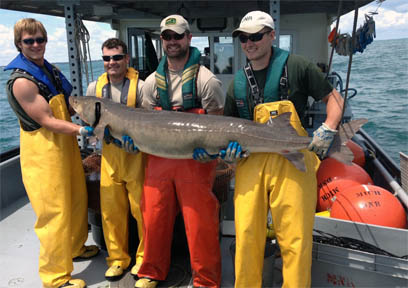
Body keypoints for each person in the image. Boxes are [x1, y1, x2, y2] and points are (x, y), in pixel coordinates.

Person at [224, 11, 345, 288]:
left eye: (255, 36)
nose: (249, 43)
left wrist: (328, 128)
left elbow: (334, 98)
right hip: (251, 163)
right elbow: (231, 127)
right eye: (244, 38)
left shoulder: (298, 66)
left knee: (295, 240)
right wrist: (227, 154)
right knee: (245, 237)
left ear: (271, 35)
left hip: (293, 161)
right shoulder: (237, 84)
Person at [4, 18, 99, 288]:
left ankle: (74, 249)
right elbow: (47, 120)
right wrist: (83, 131)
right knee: (54, 213)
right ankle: (55, 277)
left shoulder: (51, 71)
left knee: (77, 200)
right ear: (19, 44)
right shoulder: (22, 82)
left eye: (40, 39)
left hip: (65, 150)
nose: (36, 45)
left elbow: (68, 106)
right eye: (29, 41)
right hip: (43, 156)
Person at [135, 14, 224, 288]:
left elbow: (218, 124)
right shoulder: (150, 83)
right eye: (166, 37)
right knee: (153, 215)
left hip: (194, 162)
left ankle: (206, 280)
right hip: (158, 159)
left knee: (200, 224)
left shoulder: (207, 81)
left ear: (188, 38)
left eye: (177, 36)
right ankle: (151, 270)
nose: (172, 41)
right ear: (162, 40)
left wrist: (212, 153)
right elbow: (145, 122)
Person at [85, 38, 146, 280]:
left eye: (117, 57)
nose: (112, 62)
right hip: (109, 156)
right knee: (111, 213)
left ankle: (144, 259)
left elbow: (150, 119)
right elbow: (88, 123)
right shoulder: (93, 89)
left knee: (142, 212)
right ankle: (118, 259)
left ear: (127, 59)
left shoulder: (140, 87)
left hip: (136, 157)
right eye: (107, 58)